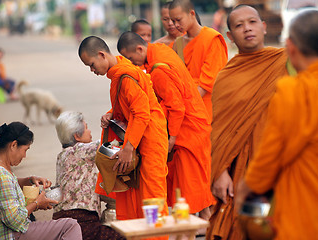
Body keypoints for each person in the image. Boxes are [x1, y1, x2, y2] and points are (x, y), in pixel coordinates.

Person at [236, 9, 318, 240]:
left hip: (304, 212)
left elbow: (270, 155)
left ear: (291, 48)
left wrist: (246, 188)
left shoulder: (292, 92)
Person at [207, 5, 290, 240]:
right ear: (231, 37)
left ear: (263, 27)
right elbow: (219, 131)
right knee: (250, 227)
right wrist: (220, 170)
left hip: (282, 164)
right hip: (246, 175)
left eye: (252, 22)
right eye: (239, 25)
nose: (247, 29)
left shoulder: (286, 62)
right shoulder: (226, 77)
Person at [117, 31, 213, 220]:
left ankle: (193, 230)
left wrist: (172, 138)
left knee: (188, 189)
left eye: (131, 58)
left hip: (187, 129)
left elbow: (176, 107)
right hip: (196, 120)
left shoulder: (159, 70)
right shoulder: (160, 50)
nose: (131, 63)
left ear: (139, 48)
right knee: (196, 188)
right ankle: (205, 225)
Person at [78, 36, 169, 225]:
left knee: (152, 199)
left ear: (102, 55)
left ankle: (155, 237)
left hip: (149, 138)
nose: (92, 70)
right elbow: (132, 103)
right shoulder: (121, 67)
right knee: (135, 195)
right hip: (140, 137)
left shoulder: (125, 76)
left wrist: (128, 147)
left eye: (92, 65)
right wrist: (113, 113)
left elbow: (142, 113)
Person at [0, 121, 82, 240]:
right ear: (13, 145)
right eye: (25, 150)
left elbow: (7, 186)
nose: (24, 156)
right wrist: (37, 204)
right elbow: (14, 220)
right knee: (70, 226)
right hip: (9, 234)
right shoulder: (2, 176)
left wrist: (29, 180)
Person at [53, 111, 124, 240]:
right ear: (77, 136)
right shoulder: (82, 150)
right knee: (122, 236)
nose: (90, 131)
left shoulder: (61, 156)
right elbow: (111, 145)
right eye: (86, 128)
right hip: (81, 220)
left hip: (59, 218)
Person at [169, 0, 228, 117]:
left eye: (179, 20)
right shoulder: (177, 44)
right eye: (173, 21)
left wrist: (183, 104)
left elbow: (207, 82)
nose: (176, 25)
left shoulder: (211, 39)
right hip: (184, 111)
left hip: (207, 109)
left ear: (192, 14)